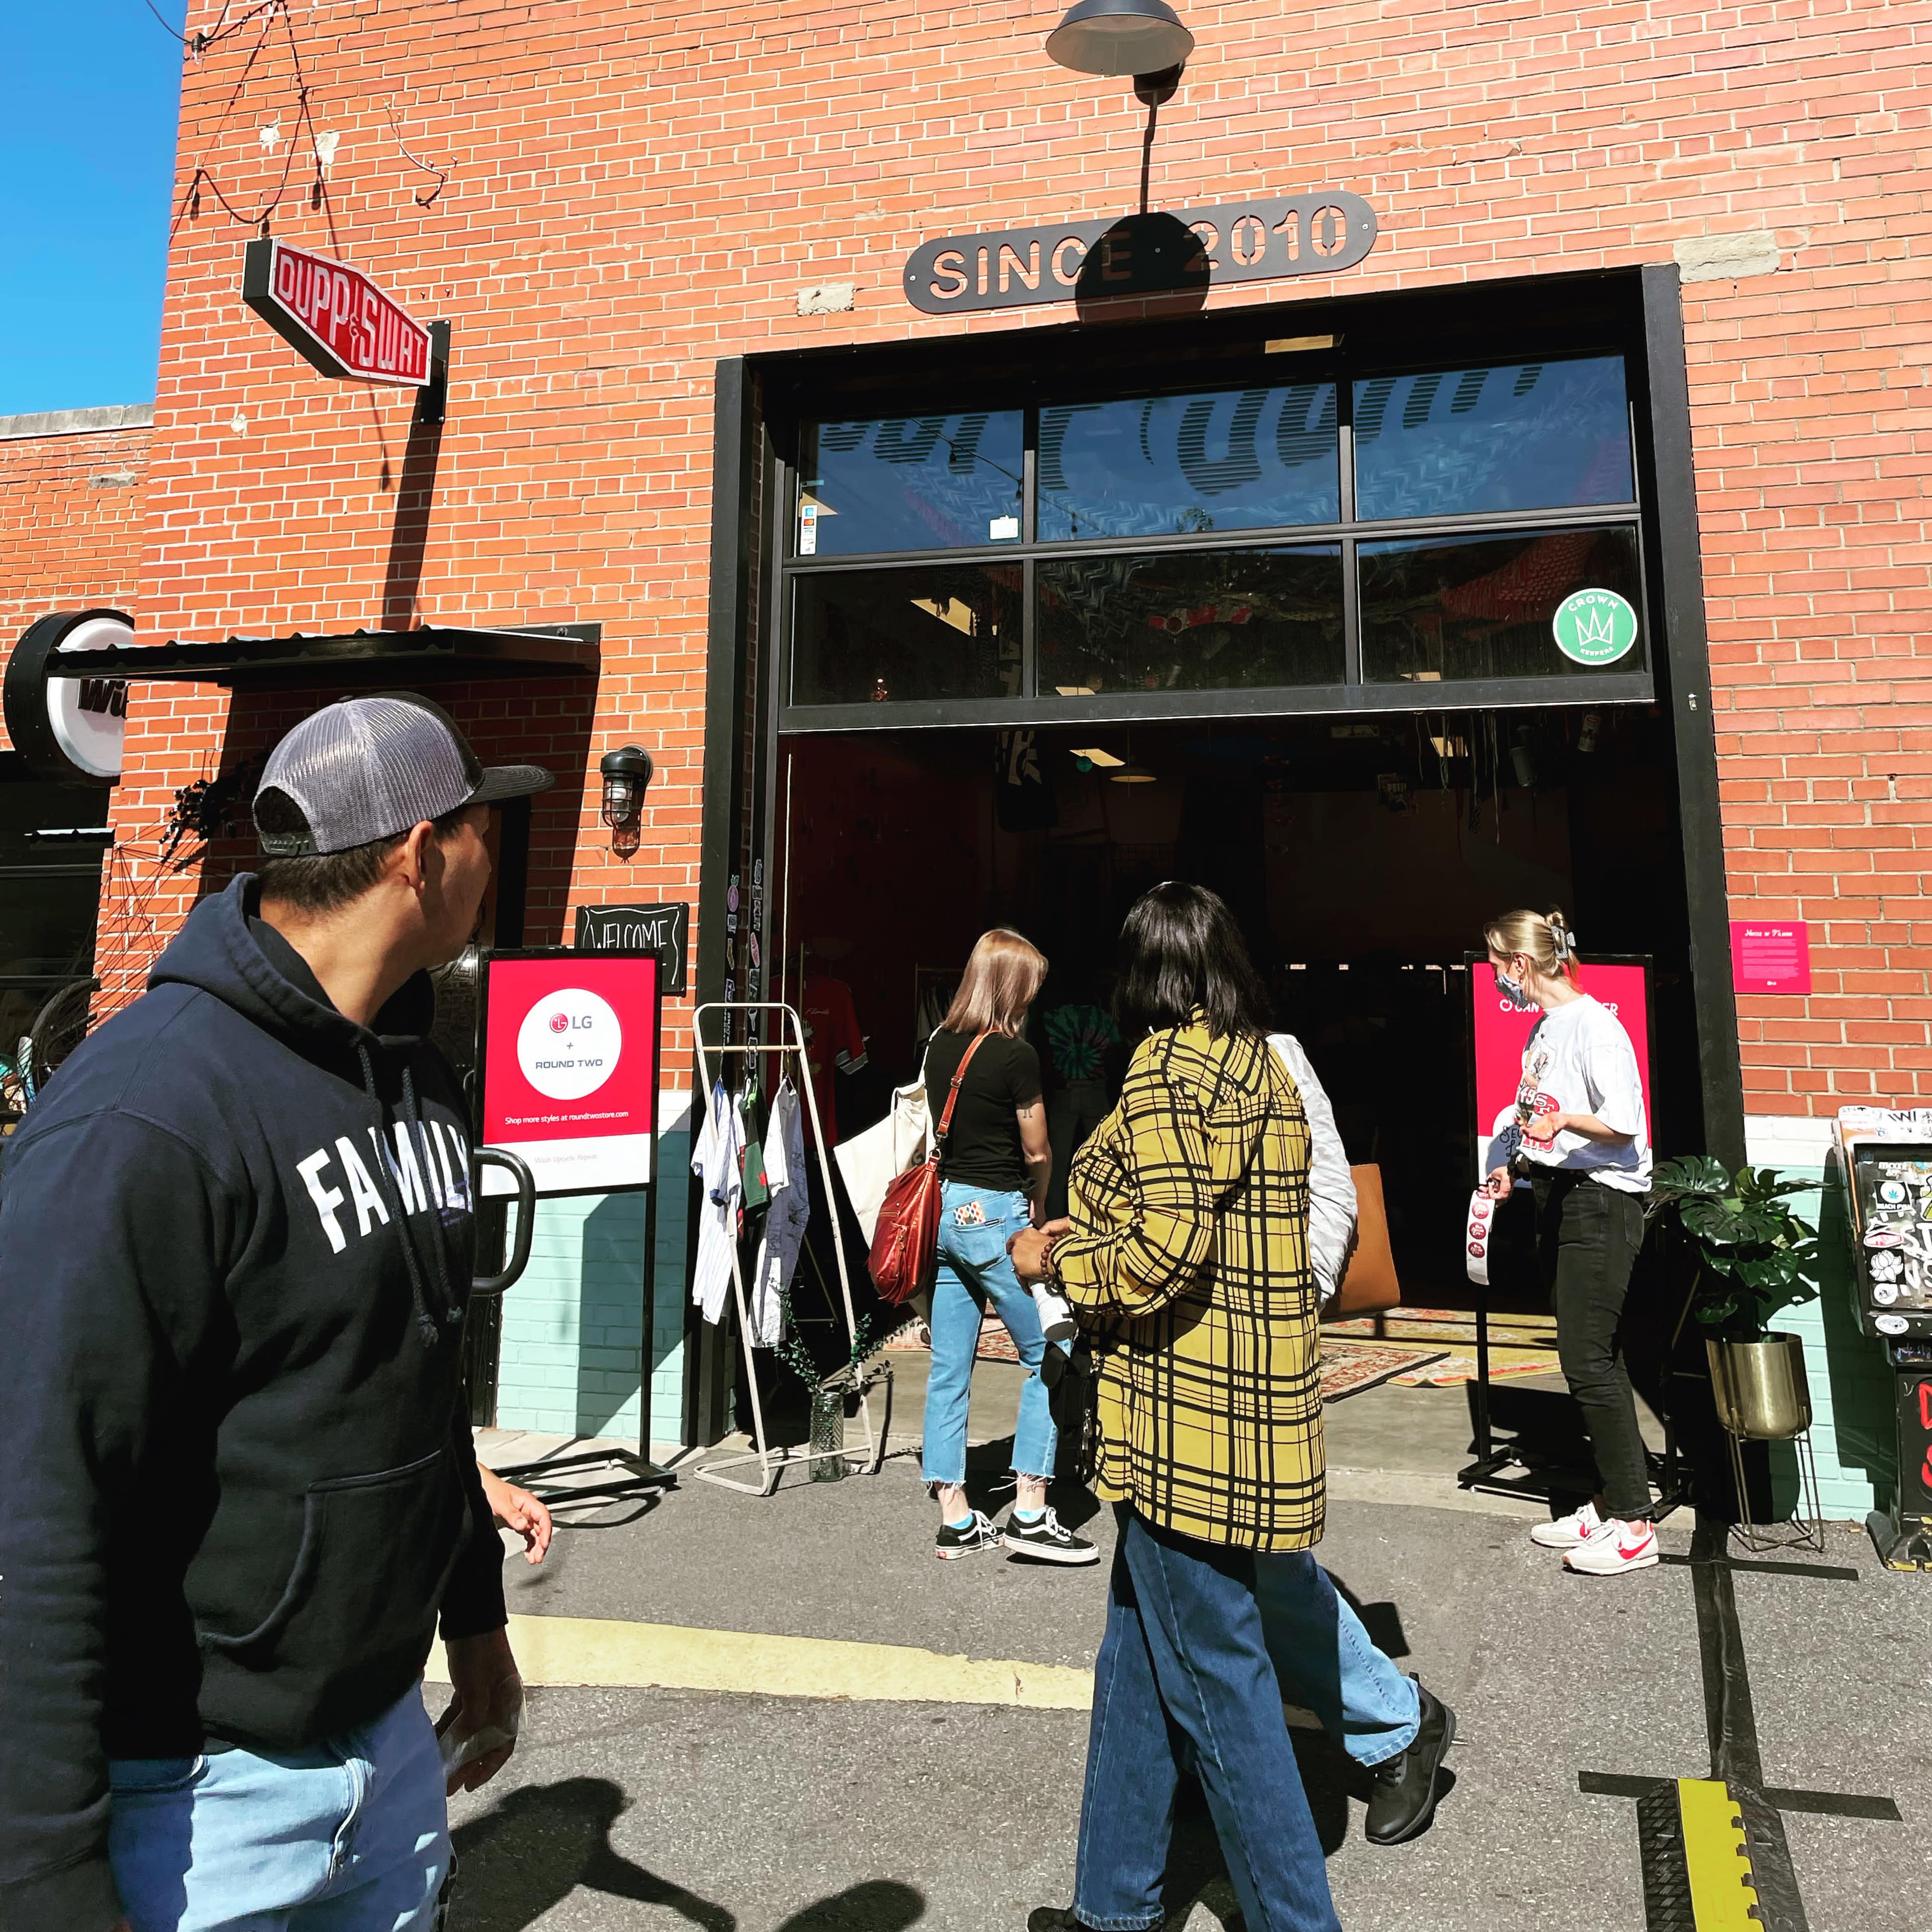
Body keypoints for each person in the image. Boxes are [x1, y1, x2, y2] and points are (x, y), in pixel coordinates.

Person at [0, 692, 547, 1932]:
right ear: (421, 854)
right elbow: (35, 1501)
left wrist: (473, 1619)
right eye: (482, 825)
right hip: (190, 1799)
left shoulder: (415, 1077)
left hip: (388, 1757)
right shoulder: (144, 1117)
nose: (495, 852)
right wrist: (43, 1877)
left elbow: (413, 1379)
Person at [1013, 883, 1453, 1932]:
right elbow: (1242, 1229)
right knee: (1135, 1663)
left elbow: (1163, 1255)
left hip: (1179, 1422)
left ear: (1141, 971)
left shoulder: (1167, 1071)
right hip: (1251, 1408)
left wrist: (1056, 1258)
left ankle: (1297, 1920)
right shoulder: (1264, 1067)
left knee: (1224, 1694)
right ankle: (1112, 1908)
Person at [1481, 907, 1657, 1576]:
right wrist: (1515, 1167)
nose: (1496, 978)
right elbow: (1538, 1118)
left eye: (1497, 966)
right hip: (1561, 1197)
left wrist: (1563, 1125)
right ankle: (1609, 1501)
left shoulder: (1595, 1026)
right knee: (1591, 1355)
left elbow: (1624, 1121)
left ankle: (1634, 1525)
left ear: (1521, 964)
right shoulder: (1545, 1029)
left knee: (1587, 1360)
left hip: (1602, 1203)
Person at [921, 928, 1096, 1566]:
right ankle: (1030, 1509)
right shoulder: (1016, 1056)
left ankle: (956, 1518)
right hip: (997, 1217)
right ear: (1013, 988)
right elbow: (1038, 1149)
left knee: (949, 1366)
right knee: (1052, 1346)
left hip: (947, 1215)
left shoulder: (939, 1045)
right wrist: (1041, 1207)